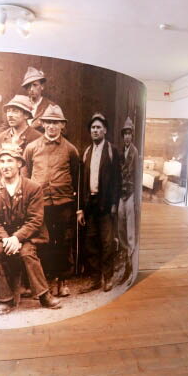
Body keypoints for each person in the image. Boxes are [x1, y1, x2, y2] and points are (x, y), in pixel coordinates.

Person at [0, 144, 62, 314]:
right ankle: (5, 300)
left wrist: (17, 238)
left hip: (26, 236)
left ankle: (43, 295)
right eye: (1, 161)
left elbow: (35, 220)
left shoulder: (33, 188)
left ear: (19, 163)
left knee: (27, 253)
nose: (5, 165)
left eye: (10, 160)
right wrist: (6, 238)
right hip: (1, 237)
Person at [24, 104, 79, 297]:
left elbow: (76, 177)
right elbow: (26, 176)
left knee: (63, 242)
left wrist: (77, 205)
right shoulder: (32, 148)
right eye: (48, 122)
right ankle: (43, 283)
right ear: (43, 124)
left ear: (62, 125)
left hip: (63, 204)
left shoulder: (71, 150)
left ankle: (62, 281)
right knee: (42, 242)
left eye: (56, 123)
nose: (52, 126)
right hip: (40, 205)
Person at [77, 113, 121, 293]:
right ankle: (95, 278)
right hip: (90, 205)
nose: (95, 131)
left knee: (107, 242)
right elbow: (81, 183)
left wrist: (114, 204)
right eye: (92, 128)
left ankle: (107, 277)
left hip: (106, 204)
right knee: (90, 243)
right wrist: (80, 209)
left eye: (98, 128)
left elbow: (118, 180)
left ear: (105, 130)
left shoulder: (112, 151)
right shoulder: (87, 152)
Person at [0, 94, 41, 178]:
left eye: (15, 111)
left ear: (26, 115)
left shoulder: (37, 138)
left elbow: (39, 170)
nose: (9, 115)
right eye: (8, 111)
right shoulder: (1, 137)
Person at [118, 117, 138, 285]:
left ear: (132, 136)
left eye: (129, 134)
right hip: (121, 195)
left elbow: (136, 177)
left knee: (130, 231)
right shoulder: (120, 152)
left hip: (130, 195)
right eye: (125, 134)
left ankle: (131, 267)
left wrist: (136, 199)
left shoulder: (134, 152)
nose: (127, 137)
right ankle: (125, 265)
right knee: (121, 229)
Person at [21, 67, 56, 133]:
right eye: (28, 86)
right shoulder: (20, 105)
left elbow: (62, 132)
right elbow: (5, 127)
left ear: (42, 86)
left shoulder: (51, 106)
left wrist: (42, 124)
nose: (31, 89)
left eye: (35, 85)